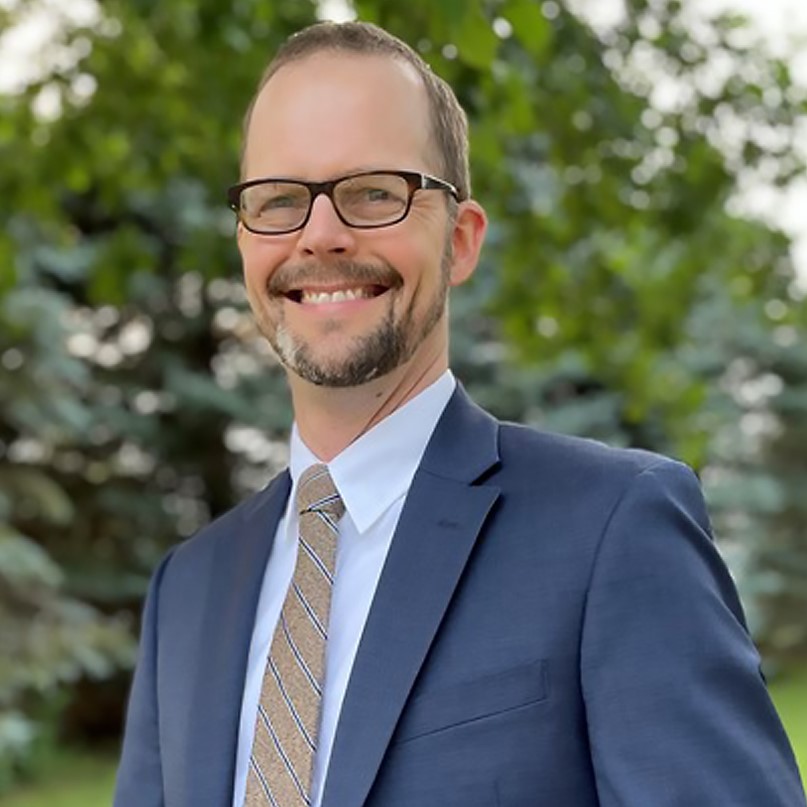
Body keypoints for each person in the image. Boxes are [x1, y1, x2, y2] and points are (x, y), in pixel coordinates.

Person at [114, 19, 806, 807]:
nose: (321, 235)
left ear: (461, 239)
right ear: (243, 241)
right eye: (277, 201)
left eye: (373, 192)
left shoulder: (612, 527)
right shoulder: (187, 589)